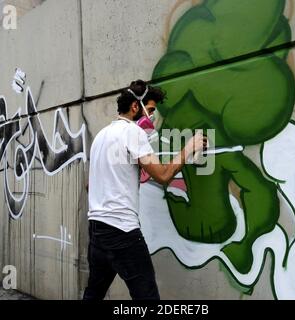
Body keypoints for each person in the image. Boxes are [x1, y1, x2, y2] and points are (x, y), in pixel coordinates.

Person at [83, 80, 207, 300]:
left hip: (97, 231)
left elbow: (90, 186)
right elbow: (163, 175)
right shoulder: (133, 132)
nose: (151, 118)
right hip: (122, 231)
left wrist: (122, 181)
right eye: (149, 110)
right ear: (134, 107)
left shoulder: (101, 136)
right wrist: (189, 148)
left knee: (93, 294)